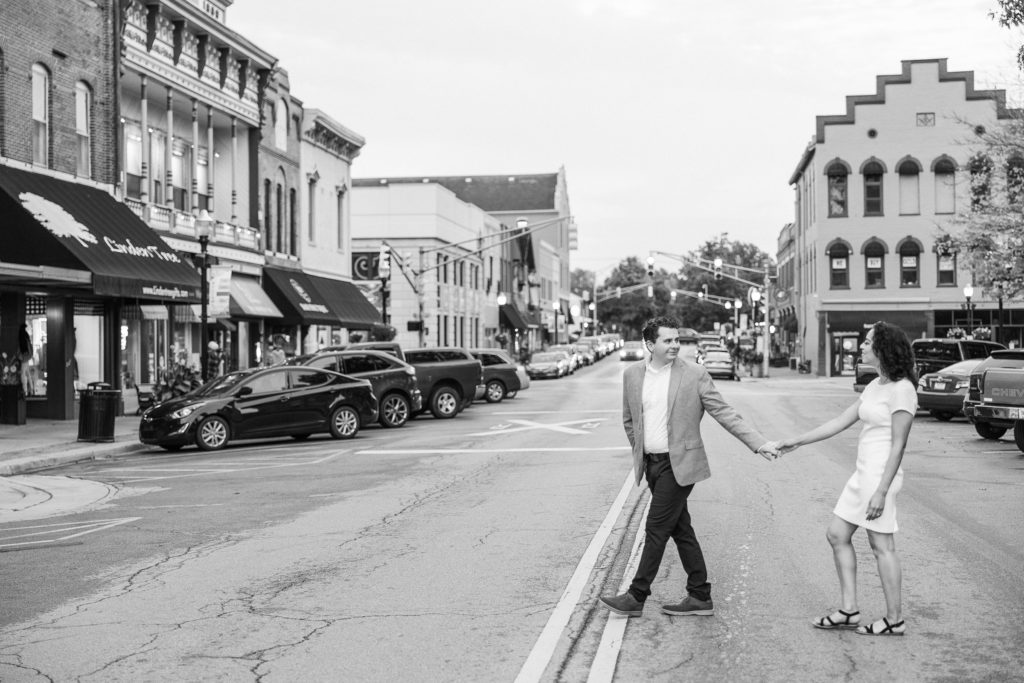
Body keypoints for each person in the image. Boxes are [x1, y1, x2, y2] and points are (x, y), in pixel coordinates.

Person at [599, 316, 778, 618]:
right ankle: (699, 594)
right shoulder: (632, 375)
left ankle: (636, 595)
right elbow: (630, 419)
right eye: (667, 340)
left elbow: (724, 412)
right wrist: (640, 448)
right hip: (652, 464)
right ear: (649, 344)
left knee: (656, 527)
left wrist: (758, 443)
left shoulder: (694, 374)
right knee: (680, 529)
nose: (674, 345)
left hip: (679, 464)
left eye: (676, 340)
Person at [767, 321, 916, 637]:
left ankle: (894, 619)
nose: (862, 345)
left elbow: (899, 445)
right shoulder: (876, 386)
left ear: (883, 348)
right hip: (863, 473)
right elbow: (839, 422)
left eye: (867, 341)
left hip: (880, 477)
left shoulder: (903, 389)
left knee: (881, 544)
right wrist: (797, 441)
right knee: (837, 533)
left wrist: (882, 491)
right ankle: (849, 610)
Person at [18, 323, 32, 395]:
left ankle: (25, 390)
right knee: (27, 373)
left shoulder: (21, 336)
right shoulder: (26, 335)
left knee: (23, 374)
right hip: (27, 355)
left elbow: (21, 348)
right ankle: (31, 389)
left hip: (24, 356)